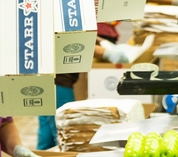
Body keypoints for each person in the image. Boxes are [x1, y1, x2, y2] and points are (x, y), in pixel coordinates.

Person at [37, 22, 129, 150]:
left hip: (45, 79)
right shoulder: (63, 16)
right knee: (64, 132)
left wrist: (102, 41)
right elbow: (72, 42)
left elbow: (80, 35)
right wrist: (106, 52)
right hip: (58, 82)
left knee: (46, 134)